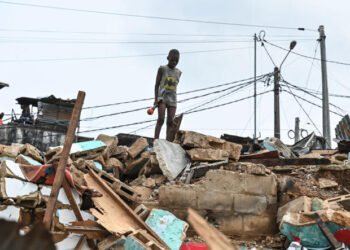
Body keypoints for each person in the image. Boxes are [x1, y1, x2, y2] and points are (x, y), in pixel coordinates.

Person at [154, 49, 182, 140]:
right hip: (162, 97)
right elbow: (157, 84)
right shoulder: (162, 69)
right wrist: (156, 99)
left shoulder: (178, 72)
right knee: (161, 119)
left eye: (176, 61)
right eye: (172, 60)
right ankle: (156, 140)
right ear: (167, 58)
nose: (174, 62)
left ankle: (167, 141)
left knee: (170, 121)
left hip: (172, 99)